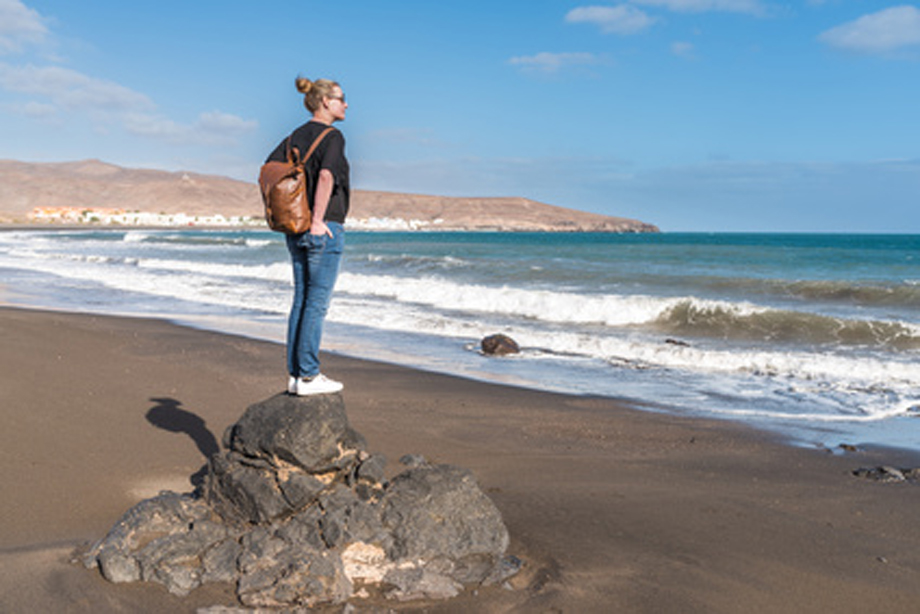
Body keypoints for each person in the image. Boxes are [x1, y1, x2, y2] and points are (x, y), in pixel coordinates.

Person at [266, 76, 350, 395]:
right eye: (341, 98)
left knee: (301, 301)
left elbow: (269, 170)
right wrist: (318, 219)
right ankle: (310, 376)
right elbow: (327, 174)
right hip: (322, 226)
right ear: (325, 101)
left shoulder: (292, 138)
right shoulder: (333, 136)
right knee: (315, 304)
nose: (346, 104)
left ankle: (296, 375)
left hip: (295, 227)